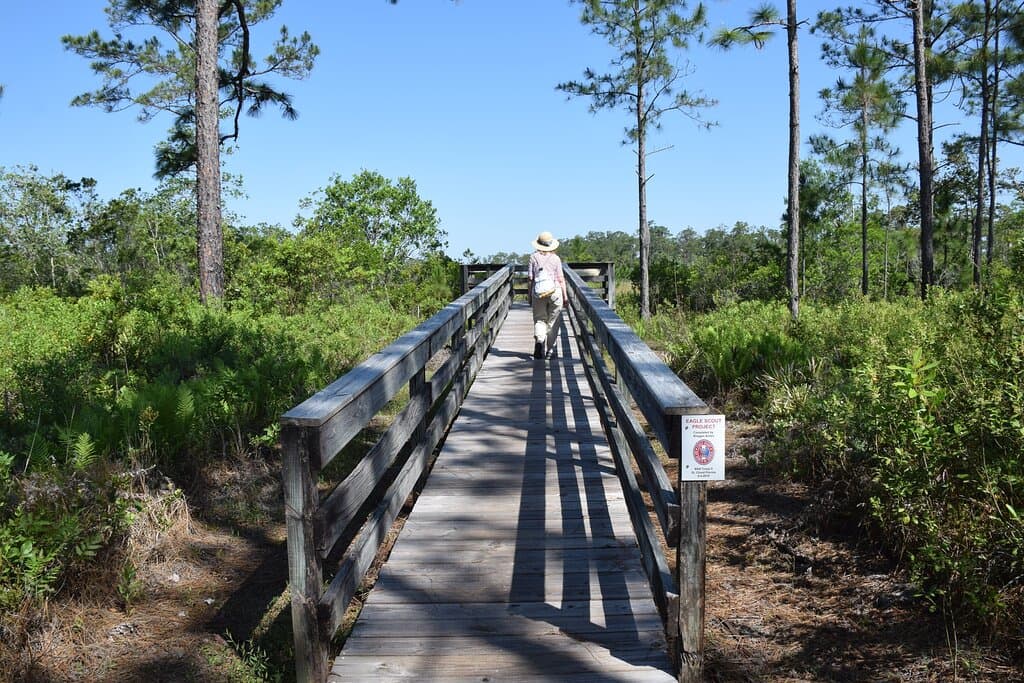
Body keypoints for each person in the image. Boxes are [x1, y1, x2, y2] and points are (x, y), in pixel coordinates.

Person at [527, 231, 567, 359]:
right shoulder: (556, 259)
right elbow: (561, 279)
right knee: (553, 322)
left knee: (540, 320)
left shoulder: (533, 257)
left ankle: (539, 341)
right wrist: (565, 296)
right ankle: (550, 350)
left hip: (538, 293)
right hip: (555, 292)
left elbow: (530, 278)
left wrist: (529, 294)